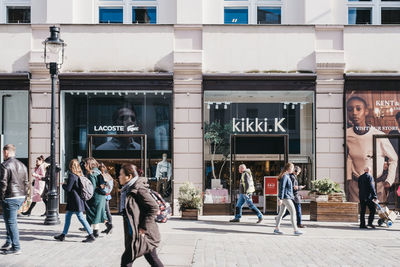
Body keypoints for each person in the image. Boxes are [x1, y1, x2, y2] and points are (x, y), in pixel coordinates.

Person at [346, 96, 398, 202]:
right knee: (358, 215)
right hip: (355, 187)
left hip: (377, 185)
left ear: (366, 111)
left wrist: (389, 180)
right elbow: (348, 157)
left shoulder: (378, 135)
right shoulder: (346, 135)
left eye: (358, 109)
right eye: (350, 109)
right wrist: (348, 180)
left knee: (377, 214)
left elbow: (394, 158)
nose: (354, 113)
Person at [119, 163, 163, 267]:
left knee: (126, 260)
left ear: (129, 176)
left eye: (121, 174)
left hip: (143, 232)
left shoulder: (138, 189)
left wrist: (143, 227)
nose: (119, 177)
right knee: (151, 258)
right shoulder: (128, 189)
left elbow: (154, 207)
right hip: (135, 231)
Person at [54, 159, 96, 242]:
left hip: (74, 200)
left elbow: (68, 189)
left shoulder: (72, 175)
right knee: (68, 217)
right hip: (77, 199)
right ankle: (63, 234)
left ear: (70, 166)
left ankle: (91, 235)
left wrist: (63, 186)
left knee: (80, 217)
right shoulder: (80, 175)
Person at [0, 144, 29, 255]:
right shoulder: (22, 165)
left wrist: (1, 197)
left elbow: (3, 183)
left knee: (11, 222)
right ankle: (8, 242)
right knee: (9, 220)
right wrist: (25, 196)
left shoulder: (5, 165)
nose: (3, 155)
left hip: (10, 196)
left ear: (6, 152)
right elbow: (26, 182)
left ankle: (16, 247)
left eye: (3, 152)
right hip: (20, 196)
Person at [274, 162, 303, 236]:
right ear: (290, 168)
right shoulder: (285, 176)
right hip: (286, 198)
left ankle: (276, 229)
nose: (293, 170)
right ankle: (295, 230)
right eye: (293, 168)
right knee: (293, 212)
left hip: (285, 197)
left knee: (281, 213)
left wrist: (281, 198)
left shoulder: (286, 175)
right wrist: (280, 198)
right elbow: (282, 187)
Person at [84, 158, 107, 238]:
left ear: (89, 164)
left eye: (86, 164)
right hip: (102, 196)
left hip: (95, 196)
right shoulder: (99, 171)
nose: (84, 165)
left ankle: (94, 232)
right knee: (97, 213)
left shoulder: (91, 173)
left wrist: (87, 196)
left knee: (92, 213)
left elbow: (92, 187)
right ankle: (96, 231)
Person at [99, 162, 114, 235]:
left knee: (106, 210)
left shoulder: (103, 176)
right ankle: (109, 225)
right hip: (107, 194)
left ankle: (109, 225)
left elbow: (104, 187)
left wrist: (101, 188)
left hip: (104, 195)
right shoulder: (109, 176)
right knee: (106, 210)